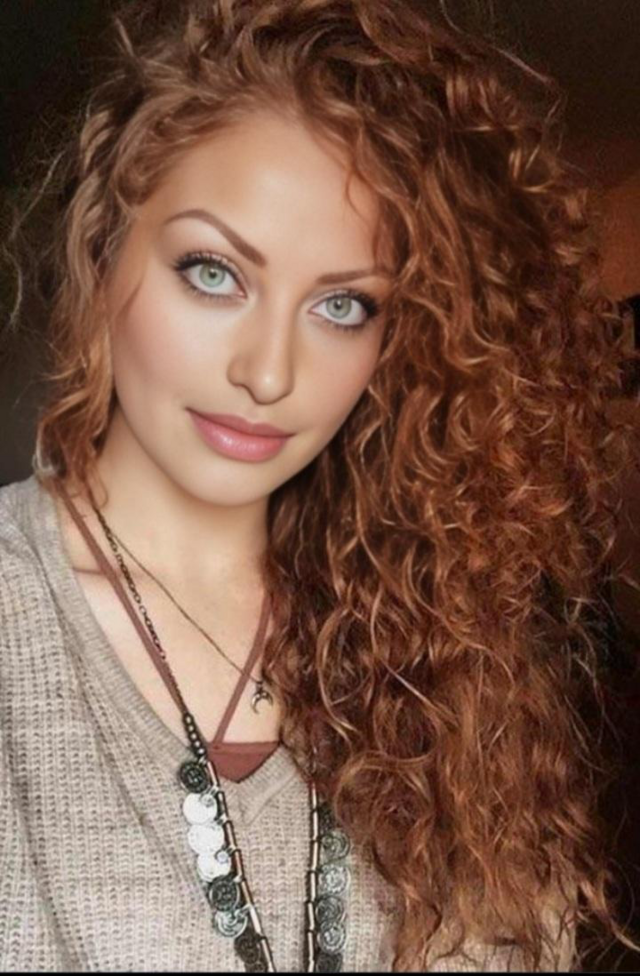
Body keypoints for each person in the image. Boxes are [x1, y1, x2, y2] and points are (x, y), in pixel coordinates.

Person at [0, 0, 629, 970]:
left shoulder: (435, 629)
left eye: (341, 304)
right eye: (214, 272)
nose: (268, 373)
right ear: (103, 248)